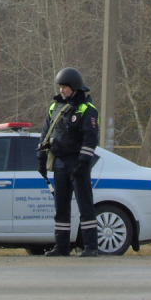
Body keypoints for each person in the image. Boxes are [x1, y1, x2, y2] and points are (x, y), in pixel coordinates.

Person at [36, 67, 101, 257]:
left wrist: (82, 163)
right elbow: (45, 134)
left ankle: (91, 247)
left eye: (64, 87)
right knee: (60, 207)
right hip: (59, 162)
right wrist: (41, 158)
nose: (61, 90)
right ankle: (61, 246)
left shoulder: (87, 109)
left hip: (77, 163)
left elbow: (90, 139)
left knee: (85, 205)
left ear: (74, 87)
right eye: (60, 87)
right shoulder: (53, 107)